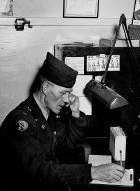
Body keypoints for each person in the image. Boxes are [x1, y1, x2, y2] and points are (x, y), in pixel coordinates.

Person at [0, 52, 125, 191]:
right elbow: (39, 171)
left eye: (69, 93)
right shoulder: (21, 122)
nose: (67, 99)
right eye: (63, 92)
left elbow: (68, 145)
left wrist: (75, 114)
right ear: (46, 88)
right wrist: (93, 172)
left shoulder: (50, 112)